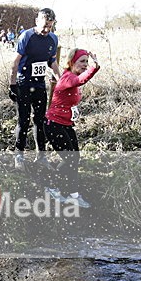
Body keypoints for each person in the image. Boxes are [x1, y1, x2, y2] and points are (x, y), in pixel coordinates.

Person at [43, 48, 100, 208]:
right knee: (70, 159)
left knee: (75, 159)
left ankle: (73, 194)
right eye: (82, 62)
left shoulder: (72, 77)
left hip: (66, 125)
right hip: (53, 125)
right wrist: (94, 68)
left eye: (86, 62)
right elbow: (81, 80)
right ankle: (51, 186)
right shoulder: (68, 77)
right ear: (71, 62)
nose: (85, 65)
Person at [9, 8, 61, 171]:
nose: (47, 30)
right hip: (24, 84)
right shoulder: (27, 36)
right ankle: (19, 156)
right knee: (23, 121)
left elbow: (52, 62)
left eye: (50, 26)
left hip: (39, 85)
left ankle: (41, 157)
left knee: (40, 121)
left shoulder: (53, 39)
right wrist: (12, 85)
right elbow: (15, 62)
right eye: (45, 25)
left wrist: (61, 80)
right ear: (37, 21)